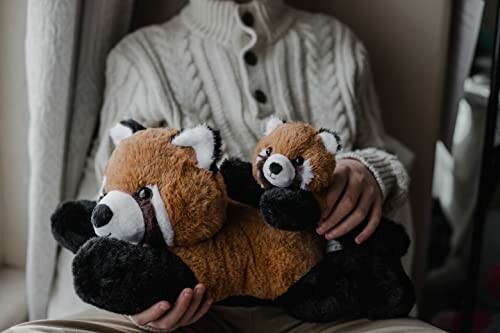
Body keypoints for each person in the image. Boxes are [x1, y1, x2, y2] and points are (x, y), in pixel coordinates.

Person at [8, 0, 438, 332]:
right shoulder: (141, 57)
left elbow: (390, 185)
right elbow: (104, 210)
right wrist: (137, 304)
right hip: (189, 312)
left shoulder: (340, 47)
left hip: (325, 308)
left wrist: (371, 173)